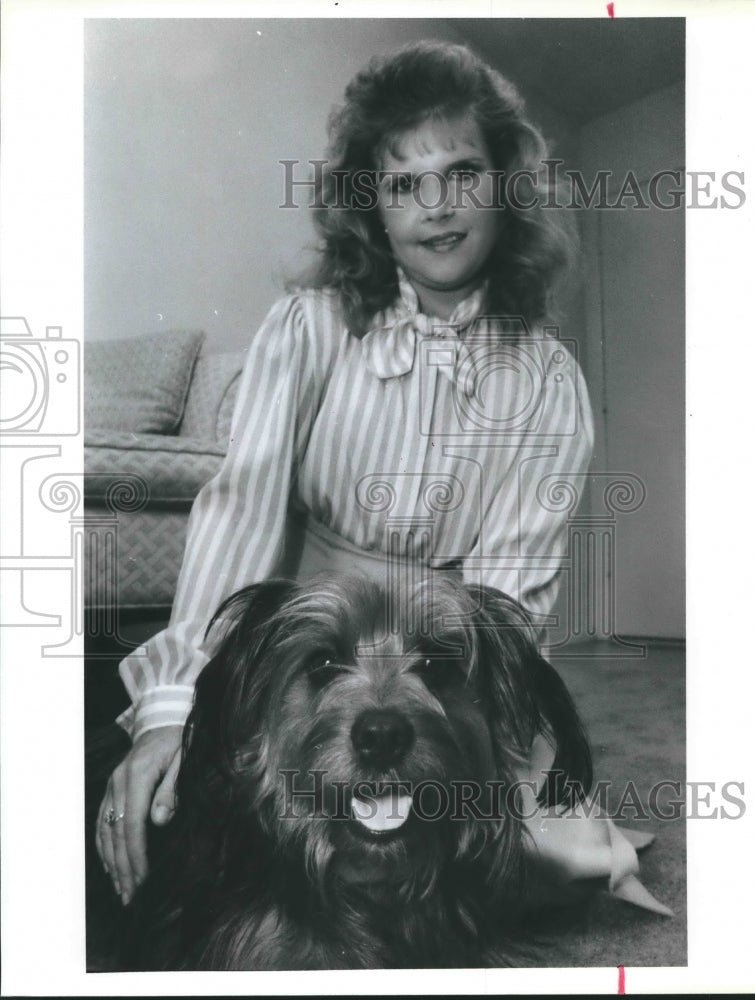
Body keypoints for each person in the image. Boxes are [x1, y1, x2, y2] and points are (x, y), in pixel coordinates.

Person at [96, 40, 669, 917]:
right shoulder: (312, 327)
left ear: (504, 185)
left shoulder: (549, 380)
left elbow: (507, 601)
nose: (435, 208)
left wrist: (486, 746)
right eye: (404, 184)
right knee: (193, 822)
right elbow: (239, 521)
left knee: (537, 856)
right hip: (304, 656)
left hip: (445, 665)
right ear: (372, 207)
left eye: (461, 174)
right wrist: (176, 706)